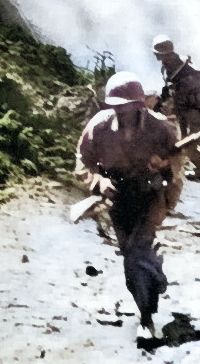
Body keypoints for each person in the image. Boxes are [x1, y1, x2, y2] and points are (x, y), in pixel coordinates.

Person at [74, 71, 184, 336]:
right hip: (119, 198)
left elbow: (178, 161)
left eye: (127, 108)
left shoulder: (160, 127)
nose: (122, 114)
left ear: (139, 106)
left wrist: (165, 165)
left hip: (150, 196)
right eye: (116, 108)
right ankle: (153, 278)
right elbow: (82, 162)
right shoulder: (98, 127)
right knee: (131, 255)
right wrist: (98, 180)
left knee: (135, 253)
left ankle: (146, 320)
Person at [151, 34, 200, 178]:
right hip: (181, 110)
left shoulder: (184, 67)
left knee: (189, 142)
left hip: (193, 110)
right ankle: (198, 168)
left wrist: (182, 86)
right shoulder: (166, 67)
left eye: (158, 54)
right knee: (184, 141)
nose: (157, 57)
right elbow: (167, 87)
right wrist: (161, 101)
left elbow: (199, 78)